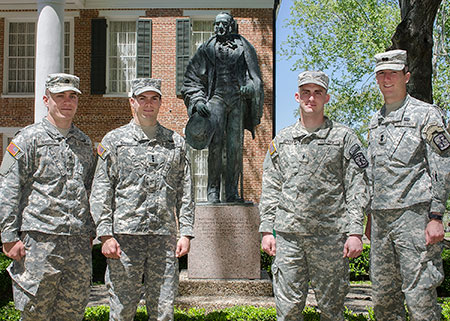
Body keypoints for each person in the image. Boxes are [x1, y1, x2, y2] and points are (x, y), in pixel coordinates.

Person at [259, 71, 369, 321]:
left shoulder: (344, 138)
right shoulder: (283, 140)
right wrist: (267, 230)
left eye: (318, 92)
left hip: (330, 237)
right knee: (287, 311)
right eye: (306, 92)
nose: (311, 98)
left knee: (332, 311)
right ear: (297, 96)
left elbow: (356, 186)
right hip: (289, 238)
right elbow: (271, 185)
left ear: (327, 97)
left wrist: (355, 232)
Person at [90, 78, 194, 321]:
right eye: (142, 98)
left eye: (154, 98)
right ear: (132, 102)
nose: (148, 104)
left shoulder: (175, 143)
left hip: (163, 241)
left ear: (160, 102)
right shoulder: (113, 142)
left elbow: (186, 190)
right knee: (123, 310)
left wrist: (186, 232)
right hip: (125, 241)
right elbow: (101, 189)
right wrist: (105, 234)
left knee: (163, 312)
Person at [0, 73, 95, 320]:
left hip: (77, 246)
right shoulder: (26, 139)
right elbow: (8, 187)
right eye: (59, 96)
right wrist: (9, 236)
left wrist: (91, 231)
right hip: (39, 243)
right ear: (46, 99)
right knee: (35, 313)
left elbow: (89, 190)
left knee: (72, 313)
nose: (67, 101)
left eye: (72, 96)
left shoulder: (84, 143)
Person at [366, 49, 450, 321]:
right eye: (381, 74)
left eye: (392, 73)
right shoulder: (374, 121)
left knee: (420, 298)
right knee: (383, 300)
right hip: (381, 222)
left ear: (407, 76)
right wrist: (367, 215)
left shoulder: (426, 115)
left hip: (414, 216)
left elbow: (441, 166)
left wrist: (436, 216)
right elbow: (371, 173)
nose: (386, 79)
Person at [182, 12, 264, 203]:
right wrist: (198, 100)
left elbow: (256, 79)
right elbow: (191, 79)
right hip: (216, 100)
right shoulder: (206, 49)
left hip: (237, 101)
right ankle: (212, 191)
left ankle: (232, 192)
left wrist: (250, 88)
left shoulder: (244, 47)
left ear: (231, 25)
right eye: (216, 24)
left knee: (235, 147)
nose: (219, 28)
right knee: (215, 146)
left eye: (223, 24)